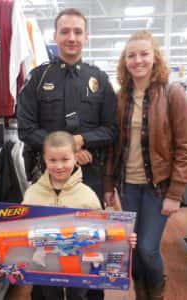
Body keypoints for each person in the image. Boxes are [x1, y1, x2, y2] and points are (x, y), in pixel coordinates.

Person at [17, 9, 117, 300]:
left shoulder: (99, 79)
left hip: (88, 181)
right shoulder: (38, 78)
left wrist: (83, 141)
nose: (71, 38)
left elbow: (111, 129)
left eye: (77, 32)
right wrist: (65, 152)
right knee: (44, 254)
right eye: (65, 32)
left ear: (86, 37)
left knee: (88, 257)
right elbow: (26, 128)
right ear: (55, 36)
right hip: (47, 179)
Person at [0, 131, 137, 300]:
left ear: (75, 157)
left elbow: (101, 236)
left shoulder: (88, 196)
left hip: (78, 270)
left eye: (65, 159)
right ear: (44, 159)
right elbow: (20, 234)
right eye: (53, 160)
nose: (59, 166)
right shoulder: (32, 194)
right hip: (43, 270)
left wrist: (124, 240)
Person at [104, 30, 187, 300]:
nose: (138, 60)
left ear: (155, 57)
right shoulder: (120, 97)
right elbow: (113, 146)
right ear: (125, 61)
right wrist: (109, 185)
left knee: (147, 248)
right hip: (127, 185)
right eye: (131, 55)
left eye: (144, 54)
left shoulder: (173, 94)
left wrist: (176, 193)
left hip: (158, 189)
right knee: (131, 247)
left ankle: (156, 292)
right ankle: (142, 293)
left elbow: (186, 147)